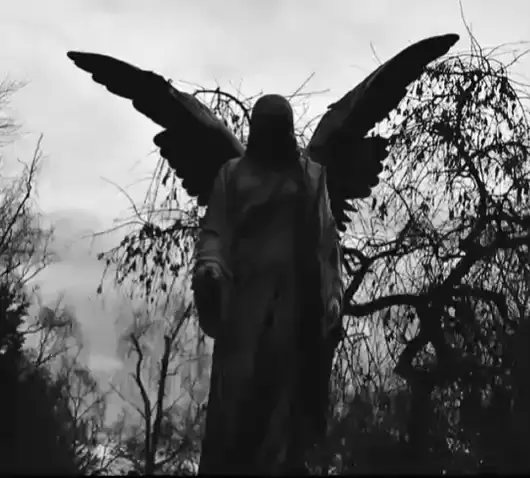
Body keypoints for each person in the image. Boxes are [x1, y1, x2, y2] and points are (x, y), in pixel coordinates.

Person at [193, 94, 343, 475]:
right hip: (244, 314)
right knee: (234, 417)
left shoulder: (311, 177)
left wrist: (331, 294)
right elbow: (215, 233)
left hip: (293, 316)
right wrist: (210, 268)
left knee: (285, 420)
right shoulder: (232, 176)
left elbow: (326, 244)